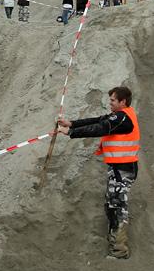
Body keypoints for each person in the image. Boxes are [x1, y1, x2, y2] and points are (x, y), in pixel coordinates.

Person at [57, 86, 140, 259]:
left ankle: (119, 250)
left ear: (123, 102)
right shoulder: (120, 116)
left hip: (123, 169)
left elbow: (100, 128)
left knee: (117, 207)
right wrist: (71, 124)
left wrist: (71, 132)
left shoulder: (123, 117)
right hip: (118, 168)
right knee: (111, 204)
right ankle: (114, 242)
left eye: (113, 100)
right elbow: (98, 120)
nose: (109, 103)